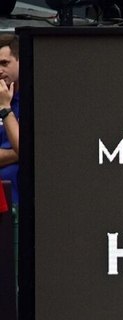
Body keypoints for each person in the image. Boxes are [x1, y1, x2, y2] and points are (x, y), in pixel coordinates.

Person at [0, 33, 19, 279]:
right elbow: (22, 149)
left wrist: (5, 108)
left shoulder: (29, 99)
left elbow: (30, 149)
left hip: (15, 209)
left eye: (4, 64)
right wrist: (17, 152)